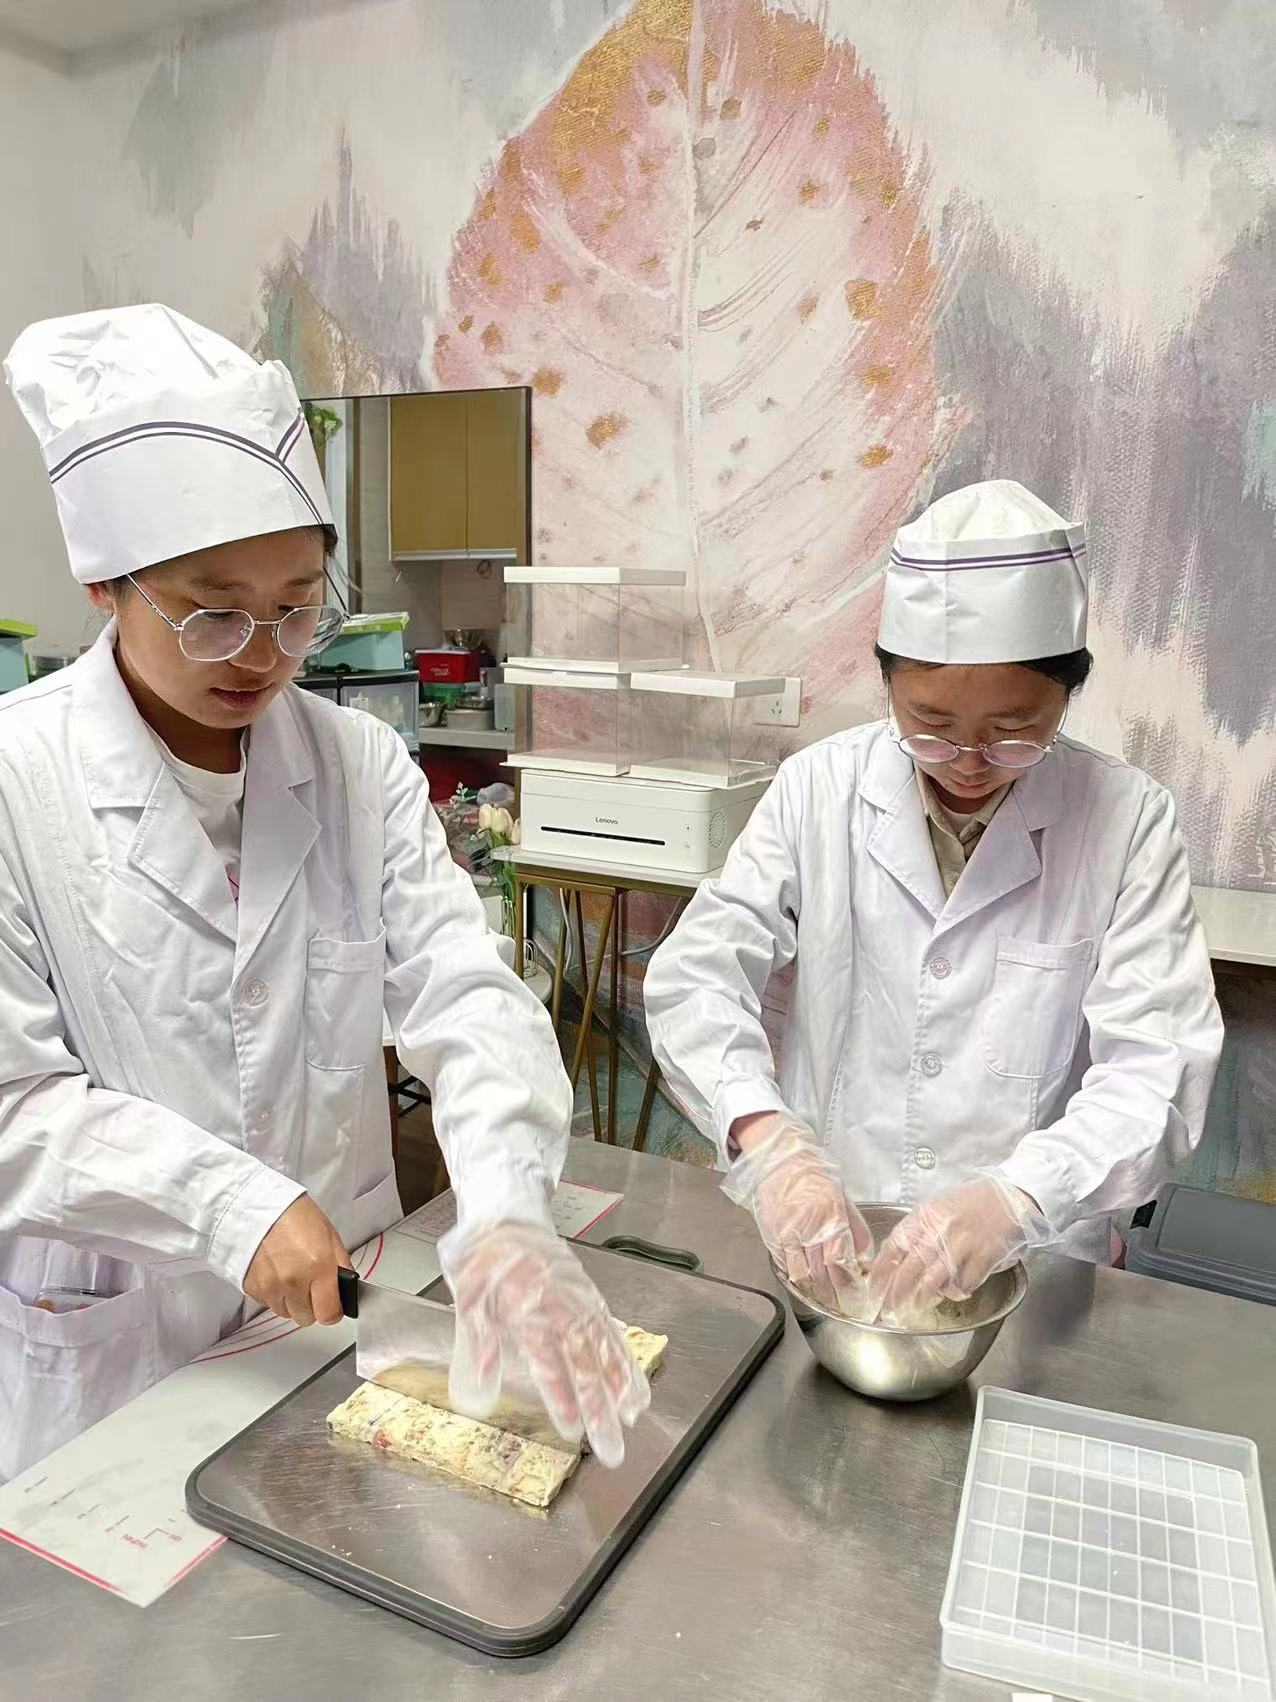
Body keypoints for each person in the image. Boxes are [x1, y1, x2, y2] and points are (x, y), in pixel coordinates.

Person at [0, 304, 647, 1483]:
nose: (263, 652)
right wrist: (222, 1203)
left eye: (298, 605)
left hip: (328, 1324)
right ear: (103, 583)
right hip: (116, 1349)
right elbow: (15, 1109)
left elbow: (464, 994)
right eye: (214, 610)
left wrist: (506, 1209)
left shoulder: (357, 765)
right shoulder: (15, 784)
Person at [645, 480, 1223, 1318]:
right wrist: (768, 1144)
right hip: (832, 1243)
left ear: (1068, 692)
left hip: (1030, 1267)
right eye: (931, 724)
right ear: (888, 682)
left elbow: (1158, 1066)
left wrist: (1020, 1198)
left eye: (1013, 729)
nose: (969, 760)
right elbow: (697, 979)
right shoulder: (818, 788)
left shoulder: (1127, 820)